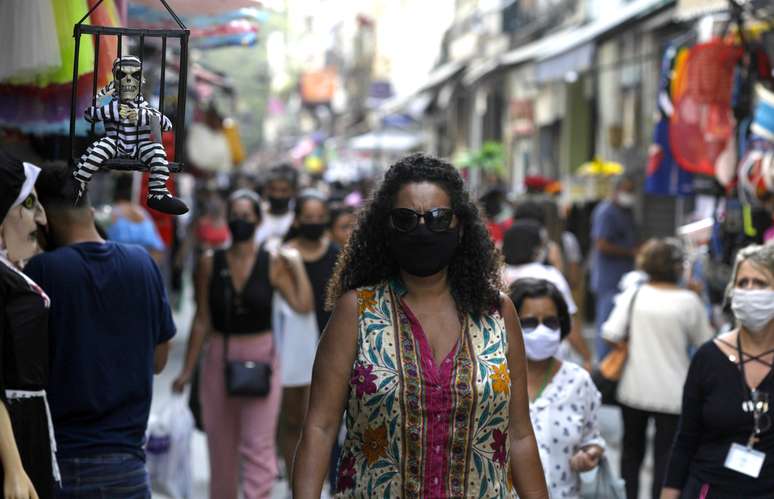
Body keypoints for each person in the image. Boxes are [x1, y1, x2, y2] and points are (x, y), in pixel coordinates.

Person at [293, 154, 548, 498]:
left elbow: (519, 435)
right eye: (406, 219)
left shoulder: (497, 313)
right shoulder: (358, 310)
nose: (423, 230)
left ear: (461, 227)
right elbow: (320, 427)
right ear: (387, 227)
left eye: (439, 218)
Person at [24, 164, 176, 498]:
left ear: (42, 217)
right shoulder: (143, 264)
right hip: (130, 468)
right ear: (90, 209)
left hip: (66, 463)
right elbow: (159, 360)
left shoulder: (42, 271)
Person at [172, 189, 313, 499]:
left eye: (247, 216)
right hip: (219, 357)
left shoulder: (273, 262)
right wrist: (186, 370)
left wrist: (296, 264)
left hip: (262, 357)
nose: (240, 222)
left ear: (258, 220)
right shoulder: (211, 262)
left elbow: (303, 304)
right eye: (235, 215)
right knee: (220, 446)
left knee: (258, 444)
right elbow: (202, 319)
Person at [602, 239, 714, 499]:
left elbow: (610, 332)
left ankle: (629, 495)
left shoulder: (635, 294)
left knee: (631, 452)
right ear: (677, 268)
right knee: (666, 456)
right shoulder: (689, 301)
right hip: (675, 392)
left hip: (634, 387)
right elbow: (706, 343)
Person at [662, 244, 774, 499]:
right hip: (709, 489)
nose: (749, 291)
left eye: (760, 283)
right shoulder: (708, 357)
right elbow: (686, 438)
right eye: (742, 282)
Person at [509, 278, 605, 498]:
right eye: (530, 323)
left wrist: (589, 455)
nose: (541, 331)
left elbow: (593, 438)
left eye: (550, 322)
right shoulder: (494, 382)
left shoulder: (578, 381)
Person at [0, 155, 55, 499]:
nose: (43, 218)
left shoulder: (9, 272)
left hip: (26, 428)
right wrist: (14, 468)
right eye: (29, 203)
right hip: (13, 438)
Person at [277, 190, 340, 480]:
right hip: (291, 347)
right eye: (308, 217)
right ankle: (294, 481)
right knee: (292, 419)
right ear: (298, 220)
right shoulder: (282, 255)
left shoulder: (338, 256)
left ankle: (321, 481)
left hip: (331, 346)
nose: (315, 222)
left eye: (320, 217)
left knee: (322, 421)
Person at [503, 219, 593, 371]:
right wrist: (586, 357)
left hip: (508, 362)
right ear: (535, 247)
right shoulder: (550, 276)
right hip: (549, 364)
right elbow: (569, 323)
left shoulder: (495, 274)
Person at [590, 174, 638, 360]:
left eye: (632, 190)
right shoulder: (606, 212)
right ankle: (603, 369)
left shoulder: (627, 212)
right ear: (617, 190)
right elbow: (601, 244)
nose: (630, 194)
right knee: (607, 327)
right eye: (627, 190)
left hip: (624, 278)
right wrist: (630, 252)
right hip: (609, 280)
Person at [106, 174, 165, 265]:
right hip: (141, 268)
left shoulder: (111, 214)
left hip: (117, 268)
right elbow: (158, 249)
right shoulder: (143, 214)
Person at [255, 163, 298, 251]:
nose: (277, 195)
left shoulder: (297, 219)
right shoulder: (256, 215)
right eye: (273, 189)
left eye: (283, 190)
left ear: (293, 191)